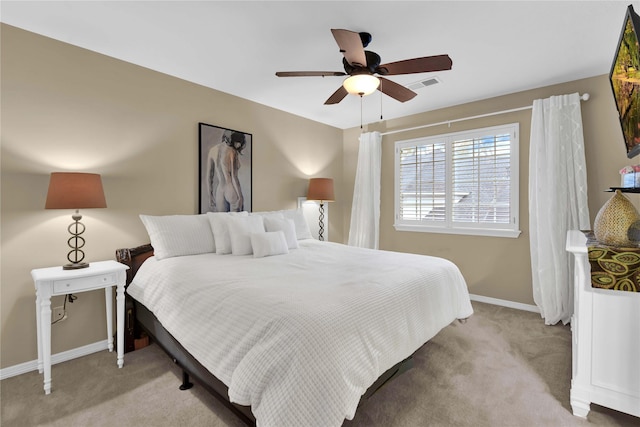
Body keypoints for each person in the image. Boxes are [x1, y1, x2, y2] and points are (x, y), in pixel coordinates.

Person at [207, 130, 246, 212]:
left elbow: (209, 177)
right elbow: (234, 177)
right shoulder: (232, 151)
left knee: (223, 222)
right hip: (231, 190)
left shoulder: (212, 150)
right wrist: (240, 197)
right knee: (237, 222)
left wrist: (210, 197)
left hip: (219, 192)